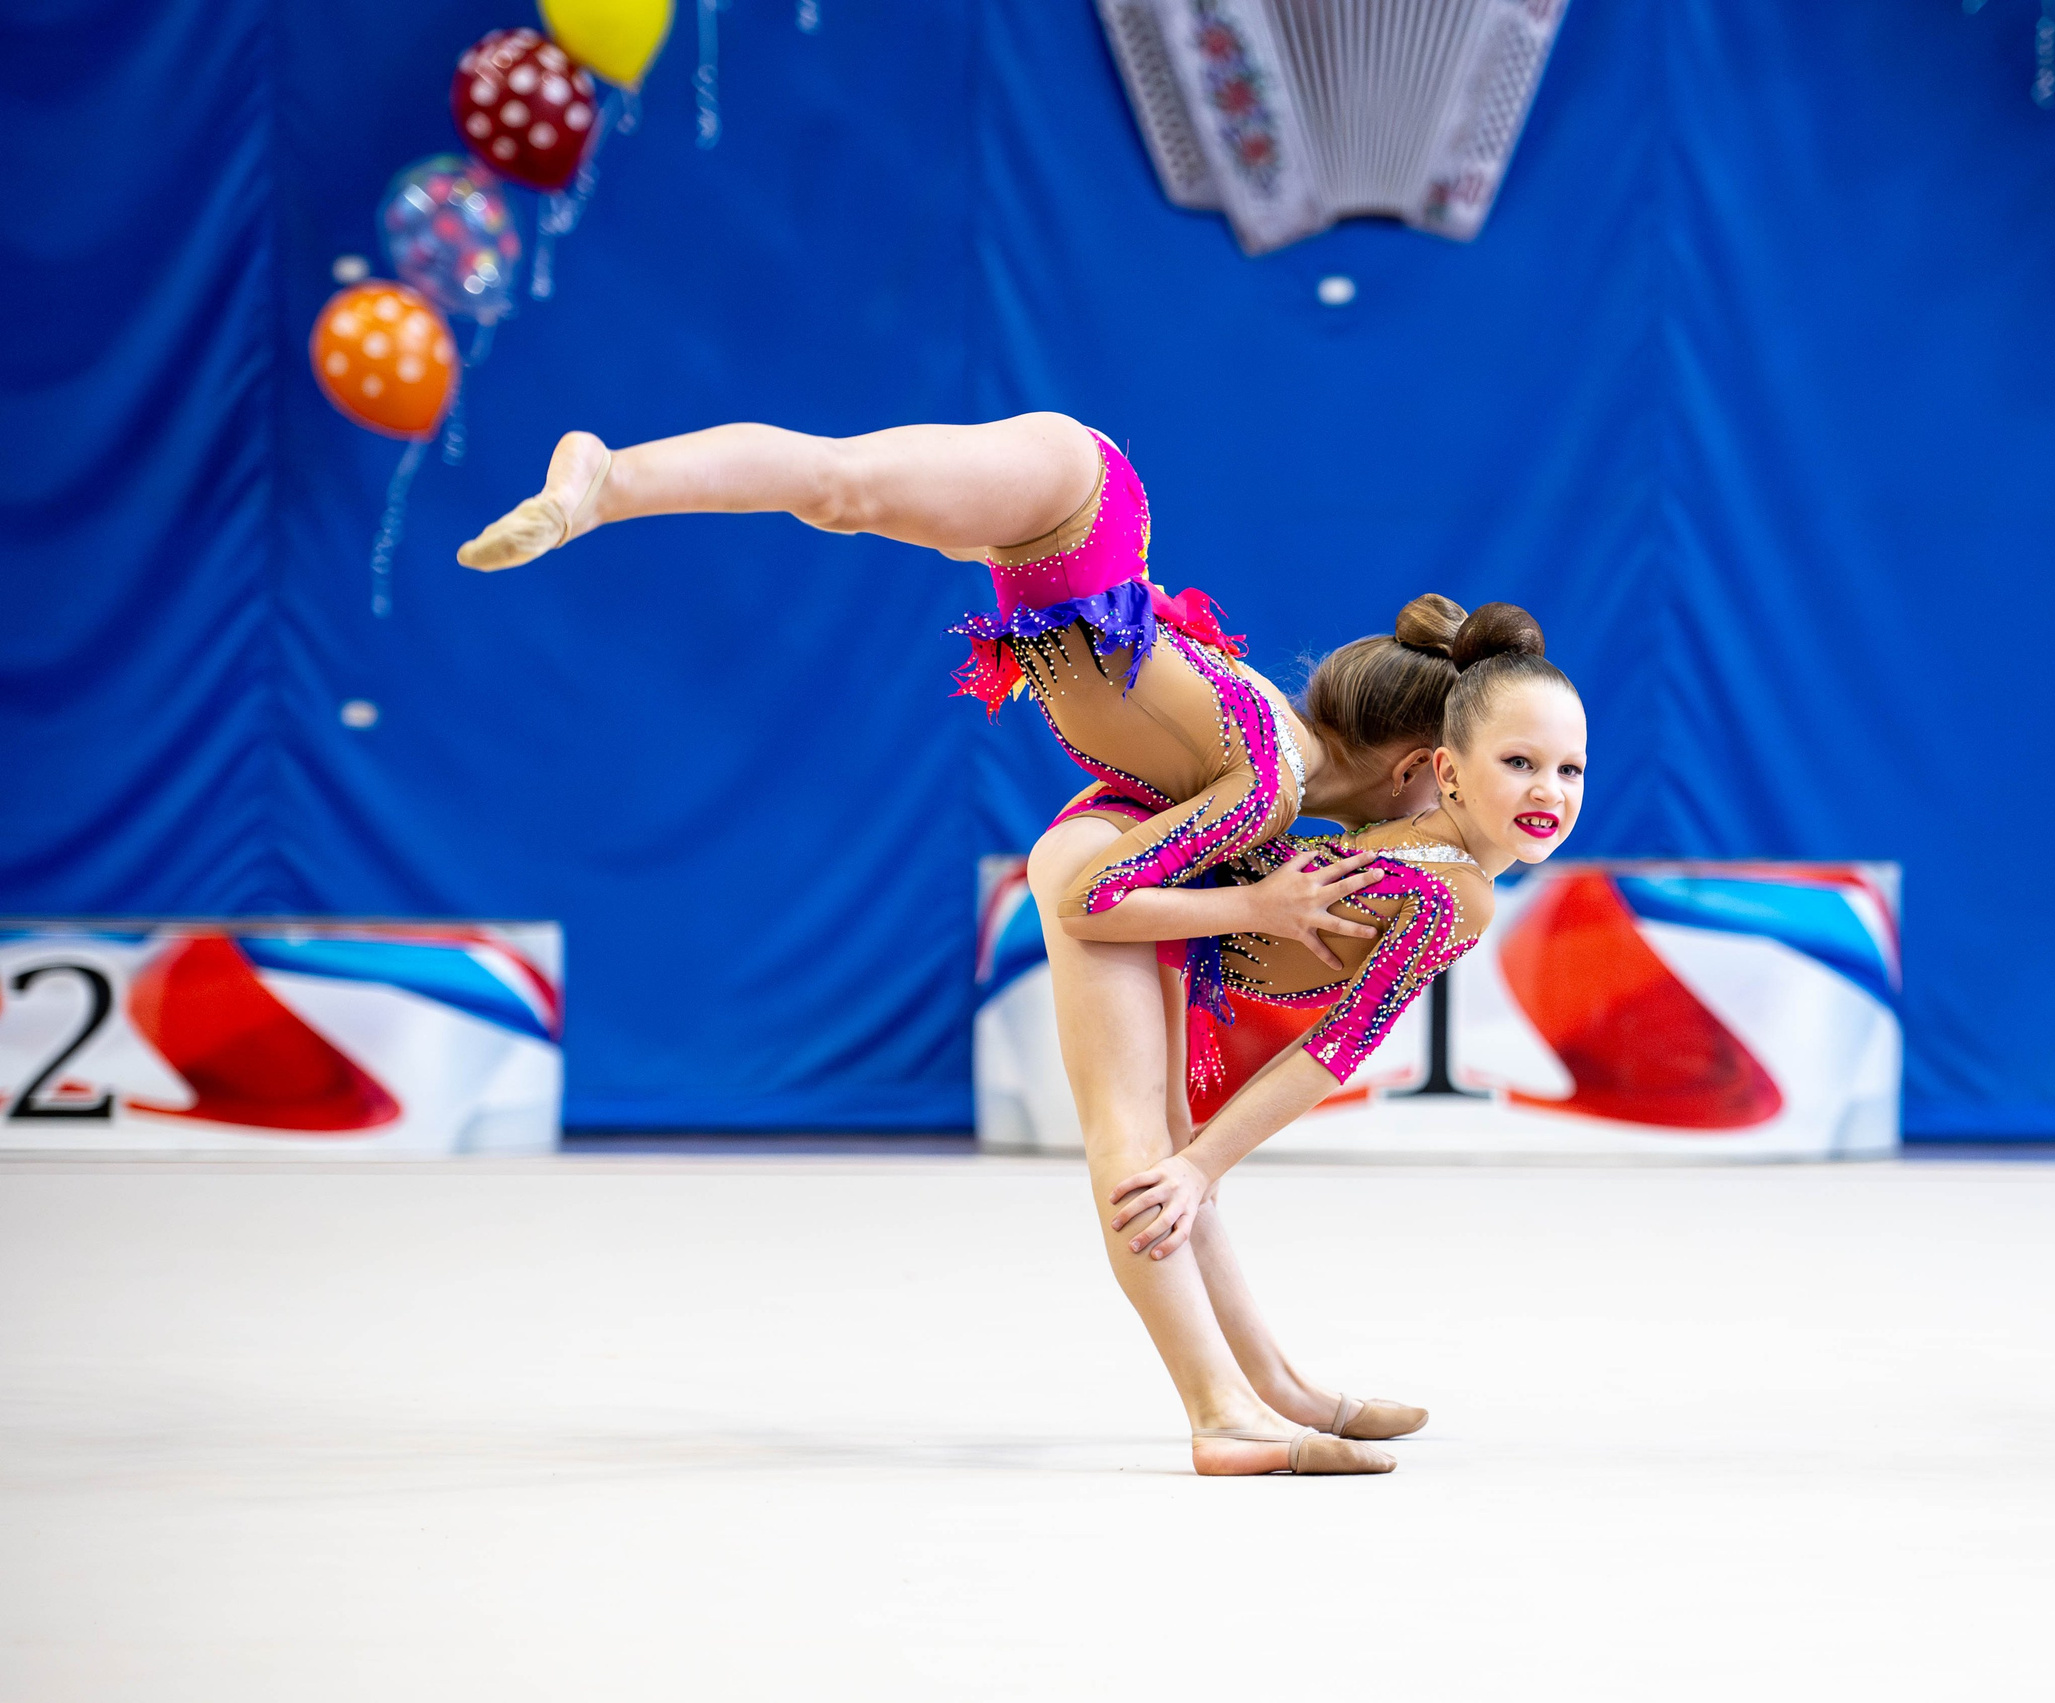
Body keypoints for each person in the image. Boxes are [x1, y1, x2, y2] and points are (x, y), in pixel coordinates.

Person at [458, 412, 1577, 1474]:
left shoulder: (1269, 783)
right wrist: (1258, 910)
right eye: (1476, 776)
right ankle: (608, 481)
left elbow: (1121, 839)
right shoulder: (1269, 784)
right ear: (1421, 767)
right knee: (839, 485)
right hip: (1077, 505)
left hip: (1070, 590)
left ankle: (1272, 1391)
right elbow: (1097, 895)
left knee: (1157, 1140)